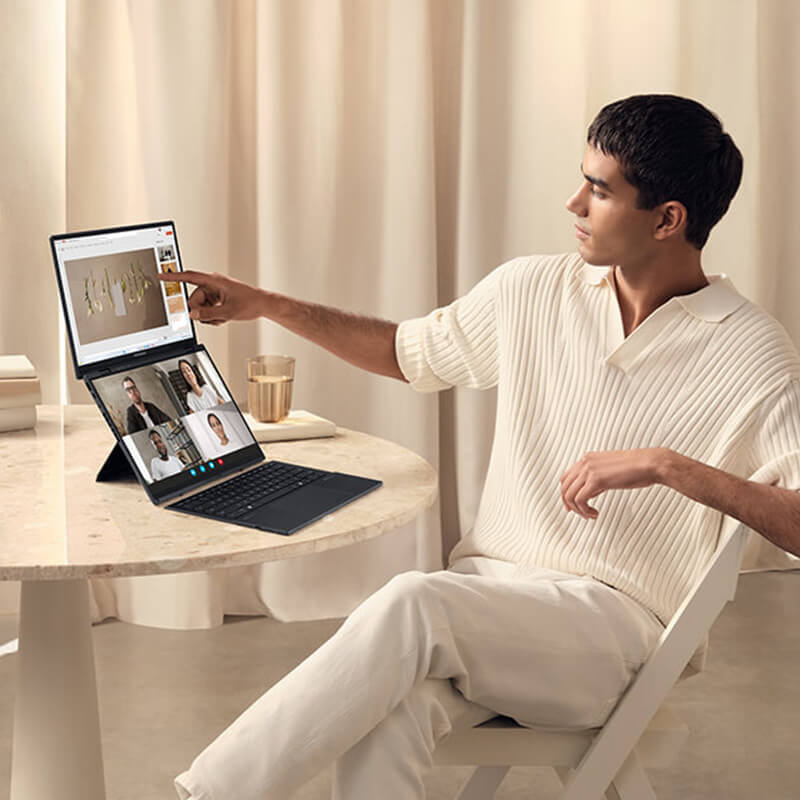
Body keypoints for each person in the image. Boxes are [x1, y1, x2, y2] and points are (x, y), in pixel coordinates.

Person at [164, 95, 800, 800]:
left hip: (610, 633)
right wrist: (265, 305)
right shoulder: (532, 289)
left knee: (414, 602)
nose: (574, 203)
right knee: (384, 713)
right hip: (484, 604)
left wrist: (668, 466)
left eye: (599, 189)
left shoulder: (753, 351)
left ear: (668, 218)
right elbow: (405, 352)